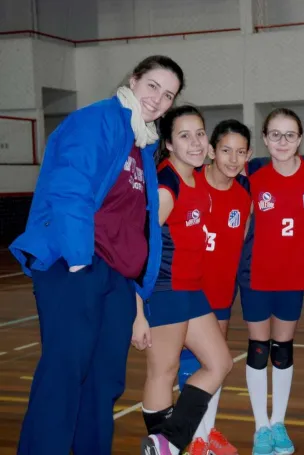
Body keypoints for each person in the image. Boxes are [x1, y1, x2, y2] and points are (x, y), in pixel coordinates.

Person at [9, 55, 183, 455]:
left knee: (104, 383)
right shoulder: (98, 120)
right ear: (133, 79)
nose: (158, 99)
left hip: (116, 277)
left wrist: (137, 280)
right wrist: (78, 262)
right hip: (77, 268)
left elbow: (140, 218)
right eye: (153, 86)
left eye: (168, 94)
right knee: (64, 375)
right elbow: (70, 187)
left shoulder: (143, 144)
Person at [136, 105, 232, 455]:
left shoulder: (197, 177)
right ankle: (166, 446)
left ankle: (168, 443)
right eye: (184, 135)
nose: (194, 142)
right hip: (164, 288)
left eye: (200, 133)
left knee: (220, 363)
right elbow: (140, 249)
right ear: (169, 143)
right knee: (163, 371)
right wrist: (138, 313)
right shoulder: (168, 183)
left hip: (191, 289)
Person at [238, 108, 304, 455]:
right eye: (275, 134)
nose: (282, 141)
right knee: (259, 348)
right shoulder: (252, 169)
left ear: (300, 139)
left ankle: (279, 422)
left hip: (294, 274)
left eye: (290, 135)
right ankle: (261, 426)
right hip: (256, 272)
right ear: (264, 138)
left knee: (283, 349)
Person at [175, 119, 253, 455]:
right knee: (190, 364)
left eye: (240, 152)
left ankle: (206, 433)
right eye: (225, 150)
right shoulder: (190, 184)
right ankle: (195, 437)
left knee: (216, 363)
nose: (233, 159)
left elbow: (241, 237)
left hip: (222, 293)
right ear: (211, 150)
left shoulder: (244, 192)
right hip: (188, 291)